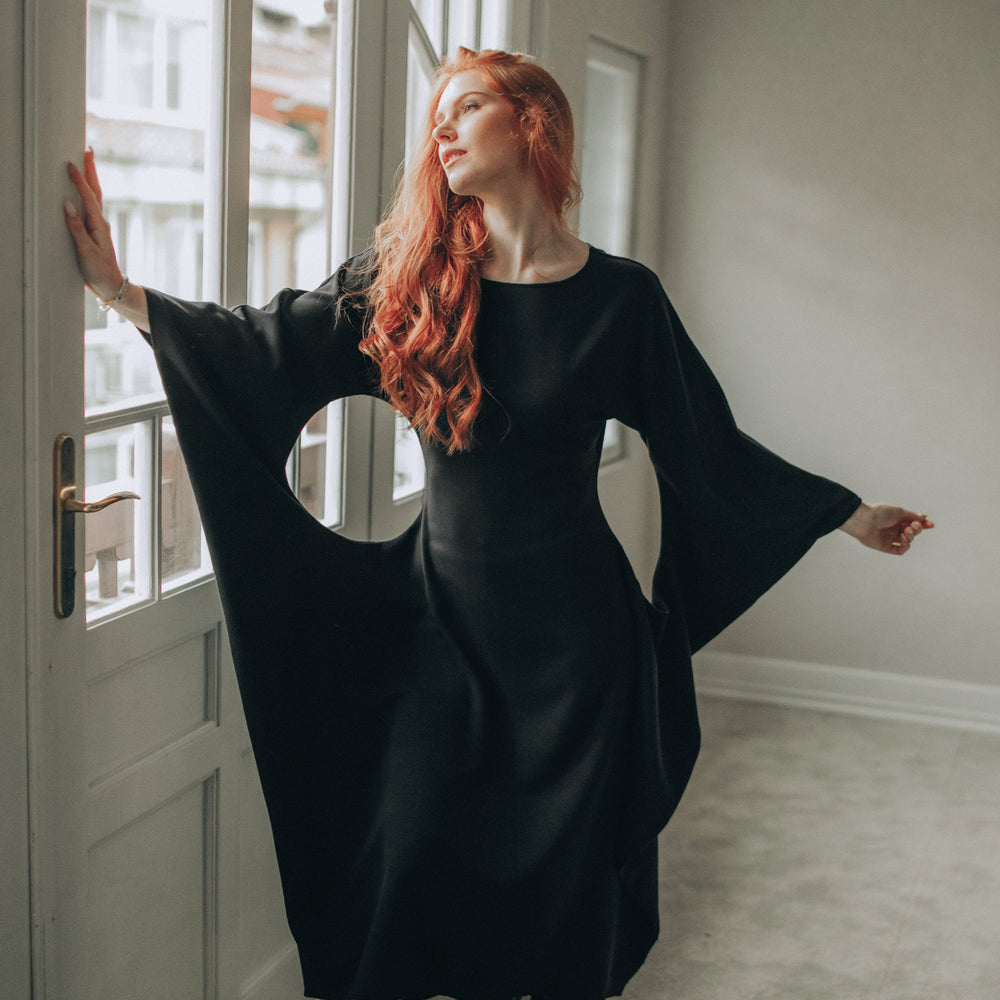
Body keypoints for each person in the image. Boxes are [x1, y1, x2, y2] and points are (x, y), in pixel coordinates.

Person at [65, 46, 931, 1000]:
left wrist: (847, 512)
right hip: (441, 633)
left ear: (531, 125)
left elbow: (706, 446)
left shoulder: (621, 299)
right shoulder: (410, 280)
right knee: (416, 859)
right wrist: (119, 292)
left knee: (564, 911)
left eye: (465, 106)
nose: (439, 129)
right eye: (438, 113)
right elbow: (260, 347)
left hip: (579, 653)